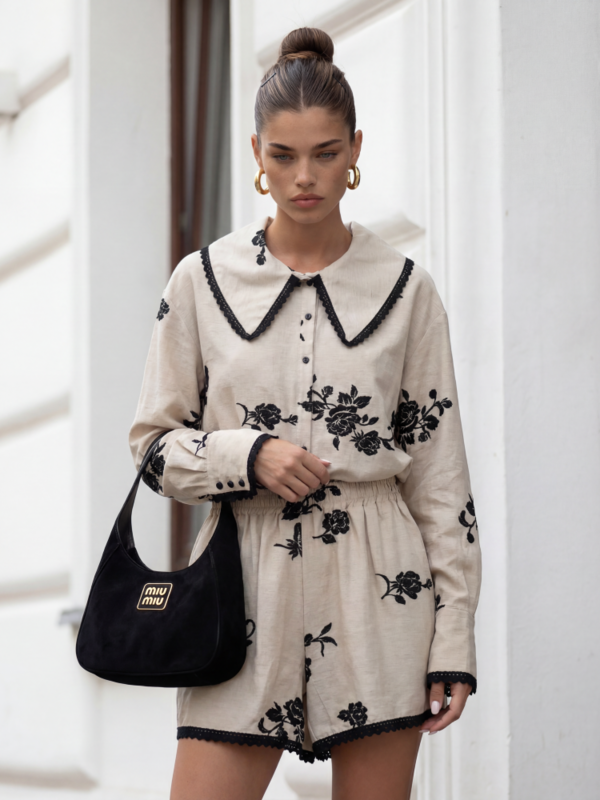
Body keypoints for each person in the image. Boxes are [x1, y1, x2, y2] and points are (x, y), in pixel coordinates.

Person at [129, 26, 482, 800]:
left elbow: (440, 480)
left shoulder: (407, 291)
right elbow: (153, 446)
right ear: (257, 153)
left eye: (325, 153)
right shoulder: (201, 283)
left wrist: (453, 638)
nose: (305, 177)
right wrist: (246, 456)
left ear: (355, 149)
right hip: (239, 591)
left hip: (380, 591)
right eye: (284, 156)